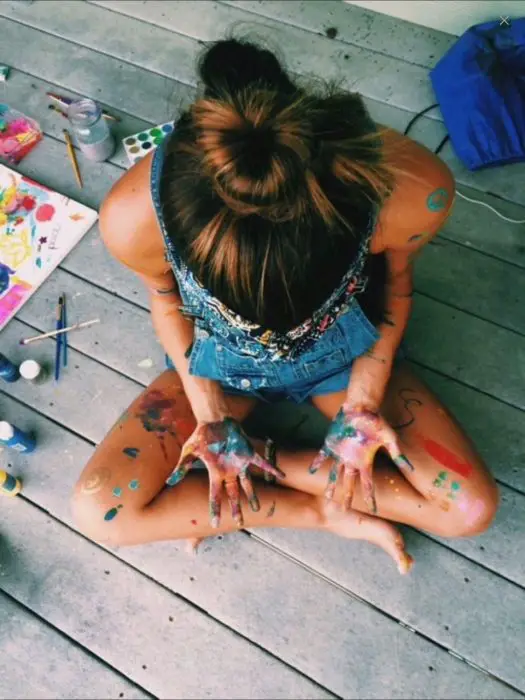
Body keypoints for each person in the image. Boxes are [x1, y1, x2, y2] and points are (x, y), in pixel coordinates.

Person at [72, 39, 498, 573]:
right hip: (219, 371)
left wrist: (362, 403)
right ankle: (320, 512)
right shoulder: (132, 218)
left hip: (344, 364)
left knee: (469, 510)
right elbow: (165, 301)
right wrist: (211, 417)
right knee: (100, 511)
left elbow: (396, 287)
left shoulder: (410, 191)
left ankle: (262, 464)